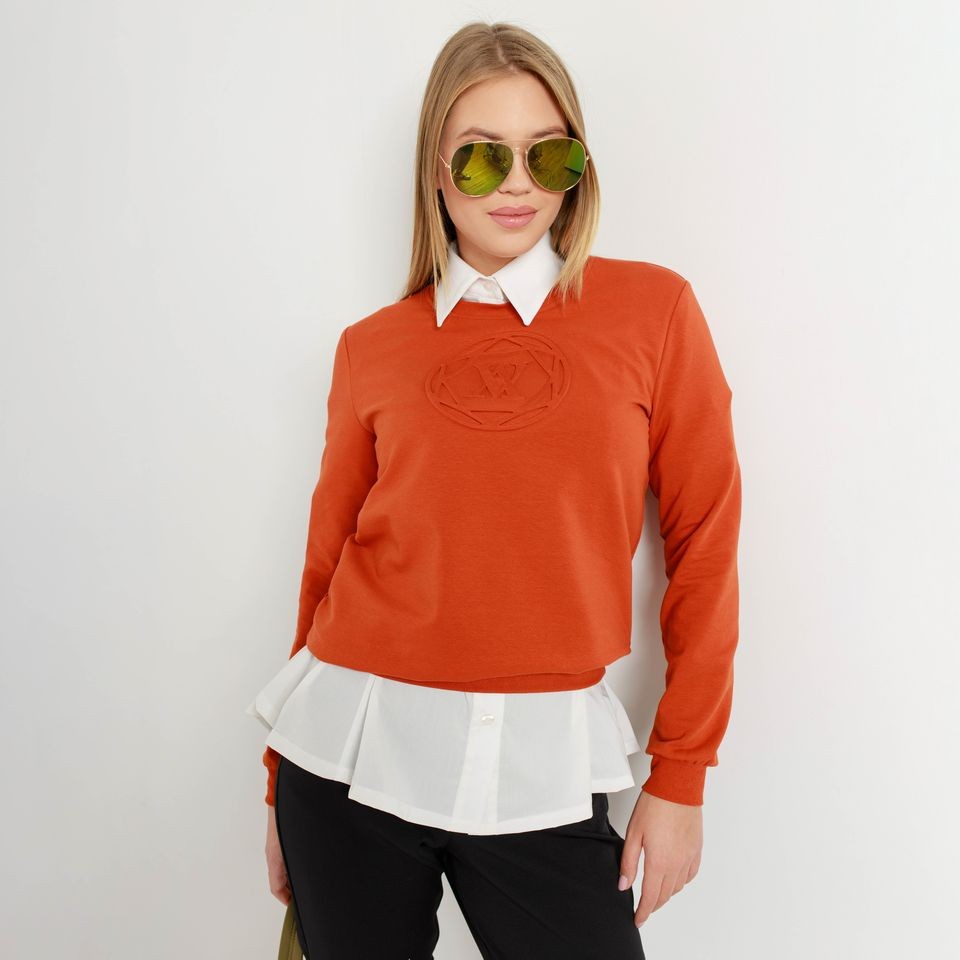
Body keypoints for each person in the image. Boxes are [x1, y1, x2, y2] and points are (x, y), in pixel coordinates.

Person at [246, 19, 741, 960]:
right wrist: (279, 786)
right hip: (347, 762)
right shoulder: (370, 349)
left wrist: (682, 775)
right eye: (481, 158)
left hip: (543, 773)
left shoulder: (654, 314)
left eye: (547, 154)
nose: (518, 184)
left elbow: (706, 543)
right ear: (437, 173)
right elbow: (325, 566)